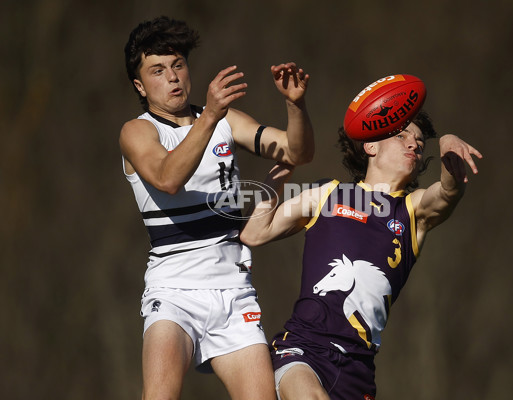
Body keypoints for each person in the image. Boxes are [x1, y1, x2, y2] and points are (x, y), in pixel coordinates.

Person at [119, 16, 314, 400]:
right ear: (140, 85)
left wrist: (296, 106)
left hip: (233, 290)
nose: (172, 77)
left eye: (178, 65)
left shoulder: (227, 122)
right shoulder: (138, 131)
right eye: (158, 70)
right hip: (173, 291)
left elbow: (298, 152)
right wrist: (208, 115)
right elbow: (167, 178)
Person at [240, 110, 482, 400]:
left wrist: (449, 145)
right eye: (402, 135)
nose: (414, 145)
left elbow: (447, 192)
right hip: (303, 349)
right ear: (371, 146)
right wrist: (283, 167)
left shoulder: (411, 212)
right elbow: (254, 232)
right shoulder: (327, 194)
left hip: (358, 369)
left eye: (420, 142)